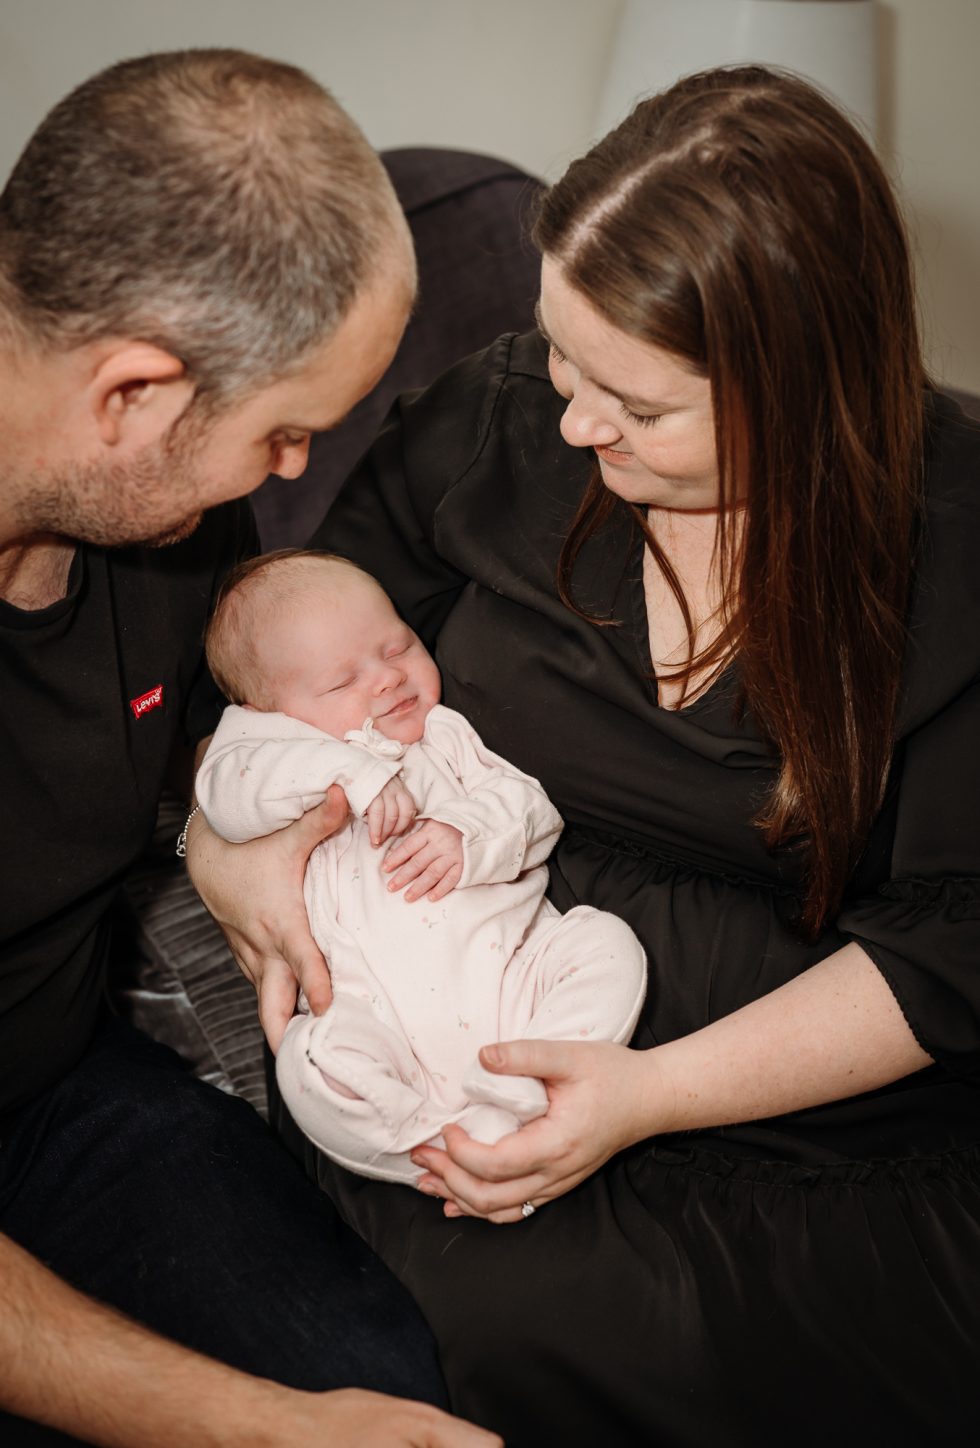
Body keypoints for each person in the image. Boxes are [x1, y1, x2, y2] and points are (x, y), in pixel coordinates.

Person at [191, 64, 980, 1445]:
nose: (572, 421)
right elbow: (276, 663)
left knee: (568, 1333)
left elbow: (953, 948)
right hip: (462, 1025)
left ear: (807, 385)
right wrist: (228, 855)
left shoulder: (958, 552)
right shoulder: (496, 424)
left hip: (796, 1117)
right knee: (367, 1307)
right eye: (561, 352)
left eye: (637, 402)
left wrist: (650, 1095)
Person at [0, 49, 500, 1448]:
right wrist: (256, 1427)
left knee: (383, 1376)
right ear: (135, 395)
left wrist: (212, 844)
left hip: (54, 1085)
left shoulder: (157, 522)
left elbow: (161, 760)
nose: (293, 480)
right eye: (284, 435)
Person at [196, 550, 646, 1182]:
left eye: (398, 646)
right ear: (263, 716)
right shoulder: (269, 759)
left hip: (513, 980)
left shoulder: (445, 736)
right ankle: (428, 1154)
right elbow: (224, 793)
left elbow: (530, 808)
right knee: (311, 1057)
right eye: (341, 681)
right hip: (376, 1021)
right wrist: (350, 772)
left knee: (606, 944)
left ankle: (518, 1100)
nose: (386, 679)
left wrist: (468, 832)